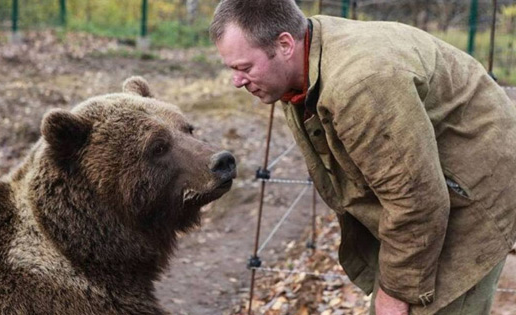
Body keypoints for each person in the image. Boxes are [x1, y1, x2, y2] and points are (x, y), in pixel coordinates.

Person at [210, 1, 516, 314]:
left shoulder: (360, 85)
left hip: (476, 184)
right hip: (433, 179)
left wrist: (395, 293)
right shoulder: (299, 63)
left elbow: (417, 201)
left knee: (429, 302)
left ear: (285, 44)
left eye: (244, 68)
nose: (237, 81)